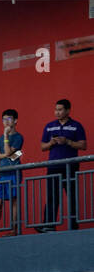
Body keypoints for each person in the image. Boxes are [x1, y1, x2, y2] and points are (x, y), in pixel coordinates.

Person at [39, 98, 85, 230]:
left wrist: (68, 141)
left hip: (70, 166)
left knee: (72, 196)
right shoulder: (49, 126)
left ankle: (73, 226)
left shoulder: (76, 125)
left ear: (68, 110)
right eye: (56, 110)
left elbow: (83, 145)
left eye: (60, 110)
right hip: (53, 166)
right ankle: (49, 225)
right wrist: (51, 143)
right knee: (52, 196)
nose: (57, 112)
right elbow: (42, 147)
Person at [0, 108, 23, 231]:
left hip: (14, 173)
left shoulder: (18, 137)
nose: (6, 122)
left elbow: (9, 151)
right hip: (2, 174)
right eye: (4, 119)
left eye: (8, 119)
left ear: (15, 121)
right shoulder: (1, 138)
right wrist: (5, 155)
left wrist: (5, 136)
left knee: (14, 202)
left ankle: (14, 230)